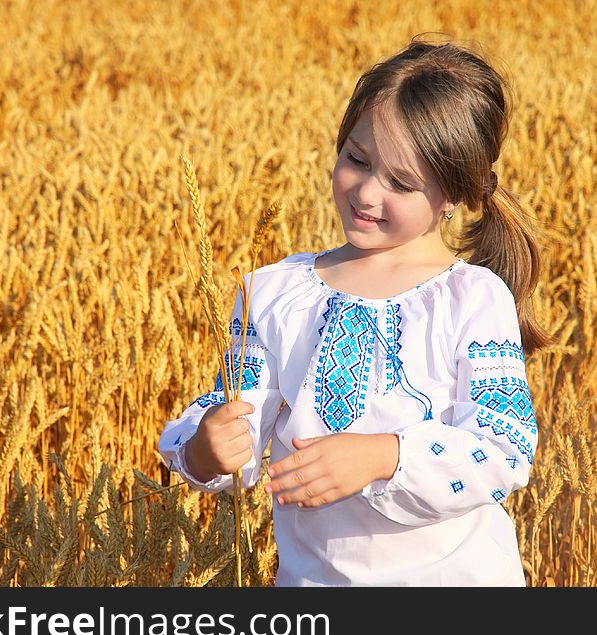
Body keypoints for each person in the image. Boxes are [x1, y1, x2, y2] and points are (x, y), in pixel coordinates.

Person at [159, 36, 551, 586]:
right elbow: (237, 421)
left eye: (401, 182)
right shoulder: (272, 293)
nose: (367, 193)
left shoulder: (471, 299)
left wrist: (383, 456)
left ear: (454, 195)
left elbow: (503, 449)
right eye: (356, 160)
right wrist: (205, 449)